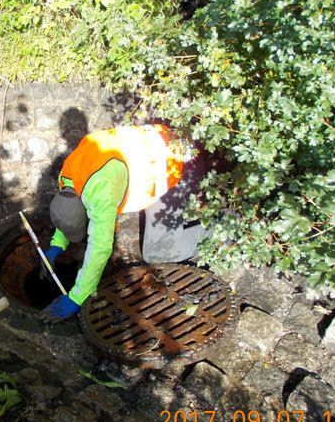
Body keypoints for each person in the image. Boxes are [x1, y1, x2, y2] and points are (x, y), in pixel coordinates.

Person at [38, 123, 210, 323]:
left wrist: (77, 297)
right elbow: (66, 210)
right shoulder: (67, 176)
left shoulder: (100, 193)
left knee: (156, 251)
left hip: (180, 163)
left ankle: (217, 234)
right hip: (158, 142)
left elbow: (101, 247)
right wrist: (56, 245)